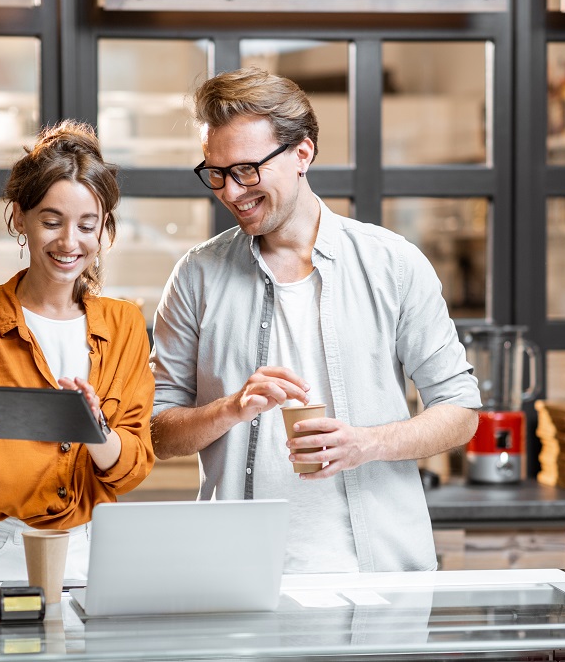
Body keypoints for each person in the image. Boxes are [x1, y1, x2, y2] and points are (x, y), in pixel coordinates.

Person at [150, 67, 481, 573]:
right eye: (216, 173)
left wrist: (366, 443)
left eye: (246, 170)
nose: (231, 192)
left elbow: (460, 411)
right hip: (237, 575)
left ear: (302, 154)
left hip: (380, 577)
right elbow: (155, 430)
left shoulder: (392, 262)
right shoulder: (197, 275)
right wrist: (229, 410)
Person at [0, 120, 155, 583]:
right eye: (51, 222)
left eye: (87, 226)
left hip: (90, 553)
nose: (70, 243)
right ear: (19, 218)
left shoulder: (125, 323)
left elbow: (130, 471)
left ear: (104, 228)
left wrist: (96, 429)